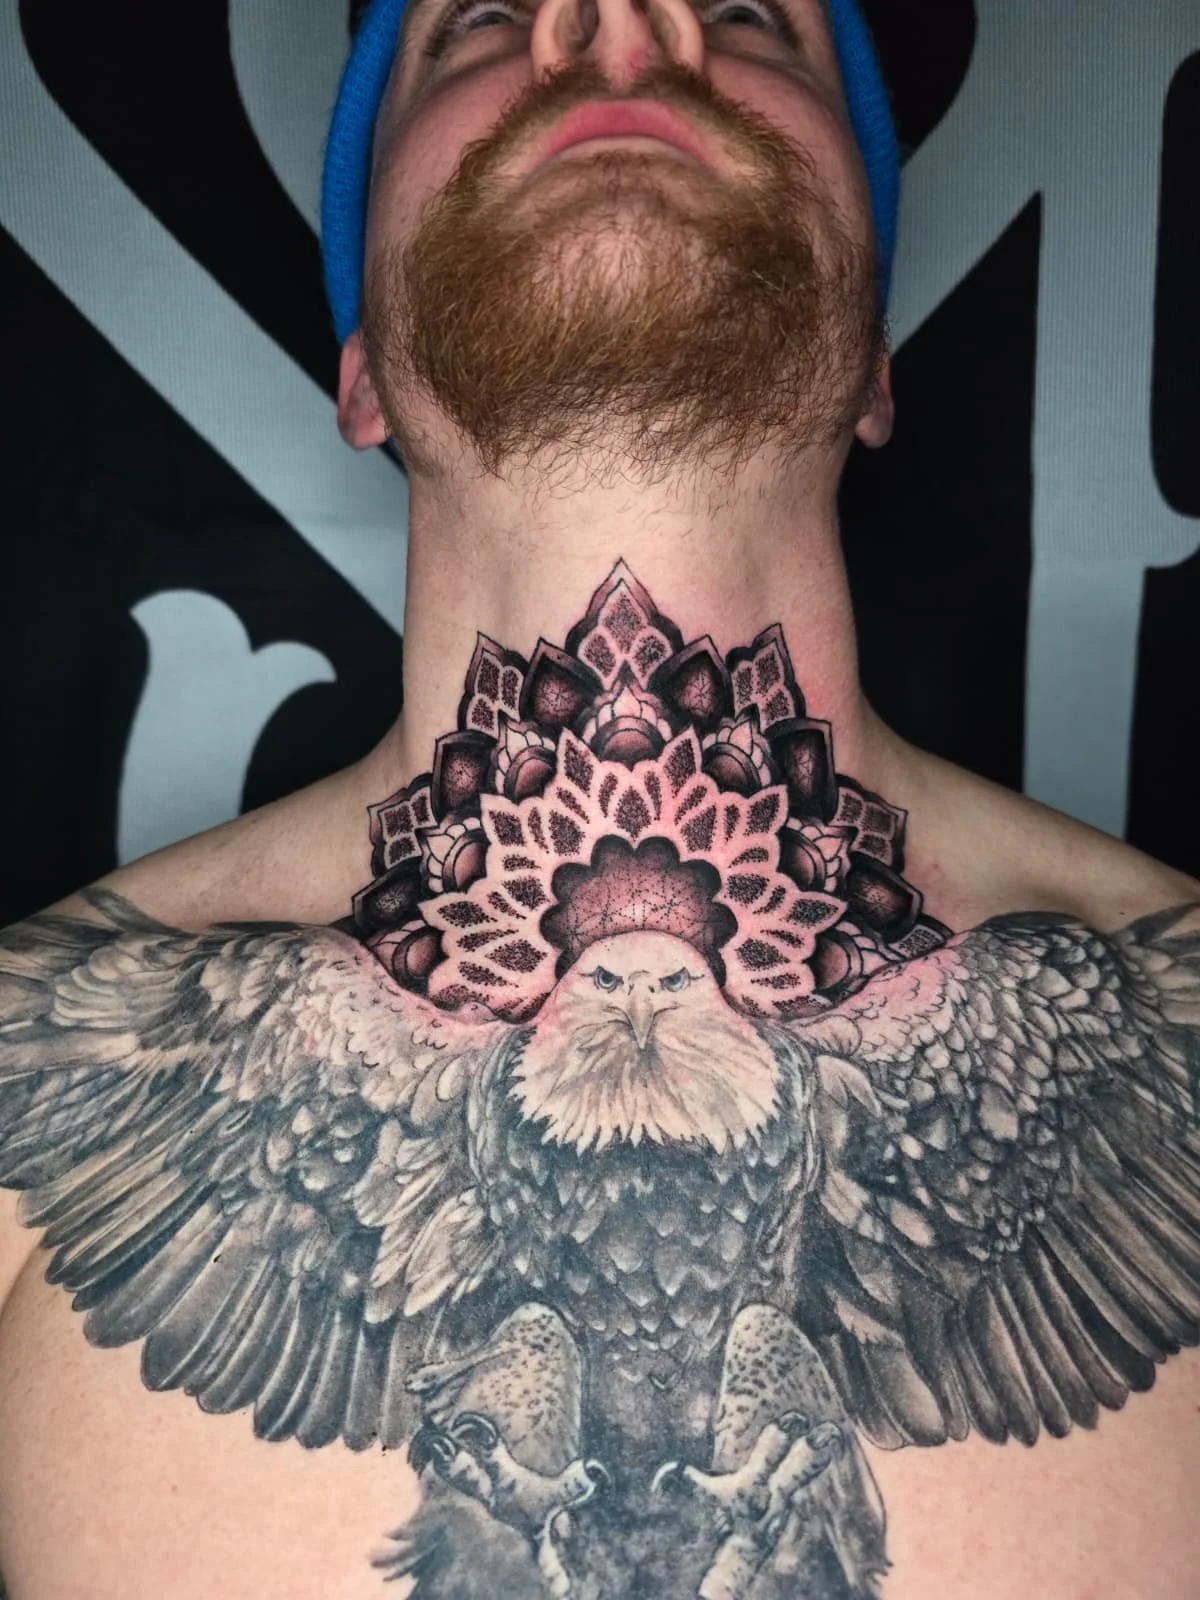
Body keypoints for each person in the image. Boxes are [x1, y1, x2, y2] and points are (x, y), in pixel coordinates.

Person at [0, 0, 1197, 1593]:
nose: (619, 24)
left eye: (750, 20)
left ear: (873, 365)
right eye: (483, 18)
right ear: (361, 373)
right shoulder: (39, 1073)